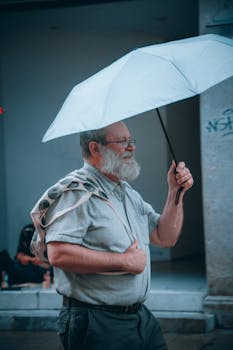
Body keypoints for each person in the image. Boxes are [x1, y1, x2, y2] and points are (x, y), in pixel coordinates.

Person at [30, 121, 194, 350]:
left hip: (140, 318)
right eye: (123, 142)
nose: (132, 147)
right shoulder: (76, 192)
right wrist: (123, 261)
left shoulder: (127, 193)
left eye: (131, 141)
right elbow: (59, 254)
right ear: (95, 148)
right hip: (96, 323)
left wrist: (175, 192)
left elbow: (164, 236)